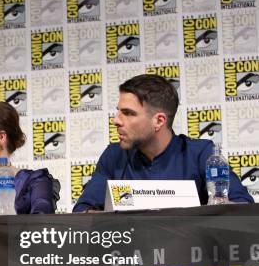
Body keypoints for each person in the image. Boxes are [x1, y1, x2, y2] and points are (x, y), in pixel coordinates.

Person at [73, 74, 254, 212]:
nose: (116, 120)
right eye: (118, 111)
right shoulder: (114, 155)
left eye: (128, 113)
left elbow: (242, 209)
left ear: (159, 121)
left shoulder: (201, 154)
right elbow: (82, 212)